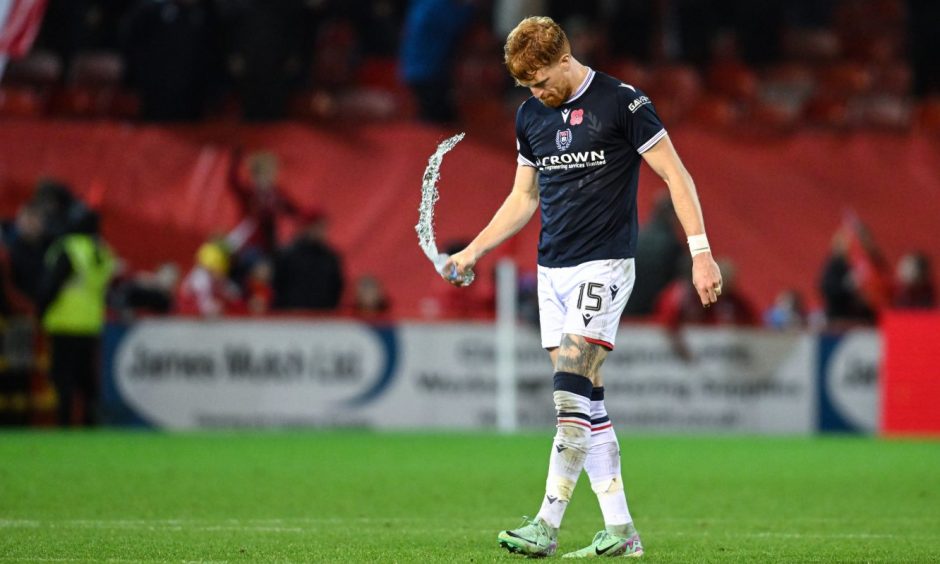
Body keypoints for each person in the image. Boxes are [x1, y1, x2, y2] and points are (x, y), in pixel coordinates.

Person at [443, 16, 722, 558]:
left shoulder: (623, 103)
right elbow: (524, 198)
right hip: (553, 274)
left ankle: (546, 524)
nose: (536, 93)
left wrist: (701, 253)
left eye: (541, 80)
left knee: (569, 389)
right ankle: (620, 531)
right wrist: (474, 249)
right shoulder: (531, 116)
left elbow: (676, 176)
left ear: (565, 61)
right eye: (526, 87)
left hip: (605, 266)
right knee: (587, 402)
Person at [36, 207, 115, 426]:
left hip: (64, 321)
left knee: (62, 377)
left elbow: (51, 285)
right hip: (90, 322)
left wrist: (40, 310)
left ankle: (65, 422)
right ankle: (90, 423)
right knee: (86, 378)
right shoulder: (101, 251)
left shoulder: (69, 249)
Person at [272, 208, 344, 312]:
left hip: (322, 319)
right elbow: (277, 286)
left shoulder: (331, 258)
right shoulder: (288, 255)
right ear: (308, 227)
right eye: (319, 227)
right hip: (292, 317)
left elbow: (337, 288)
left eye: (324, 227)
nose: (323, 232)